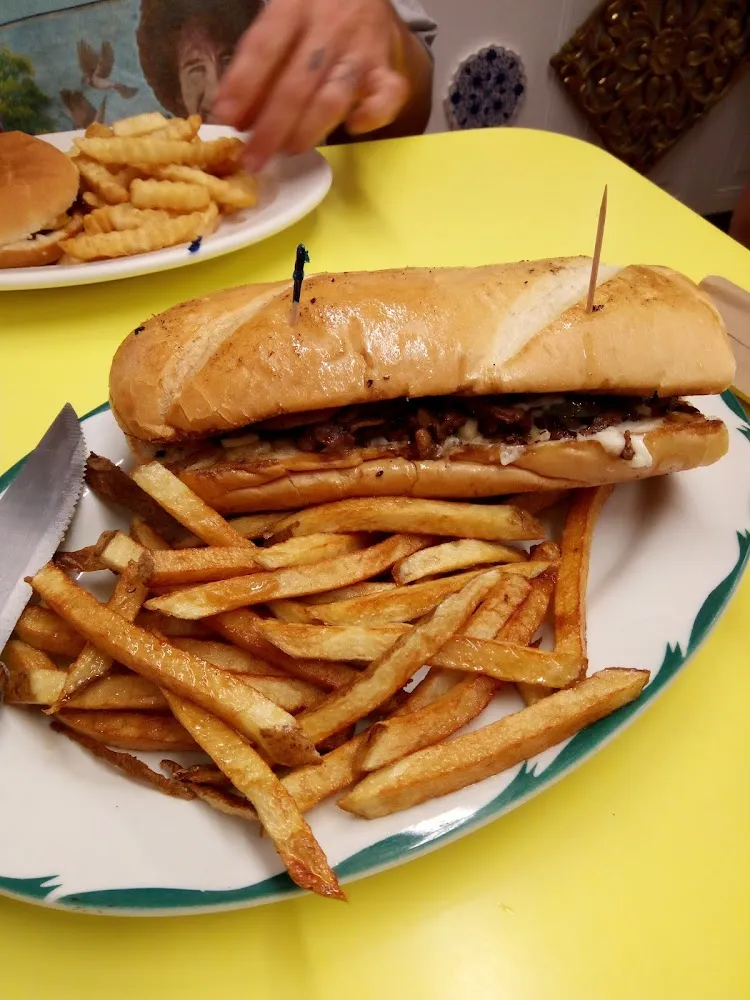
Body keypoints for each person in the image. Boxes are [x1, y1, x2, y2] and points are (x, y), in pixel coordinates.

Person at [0, 0, 436, 164]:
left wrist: (385, 44)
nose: (215, 89)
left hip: (306, 262)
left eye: (229, 58)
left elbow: (405, 112)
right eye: (195, 70)